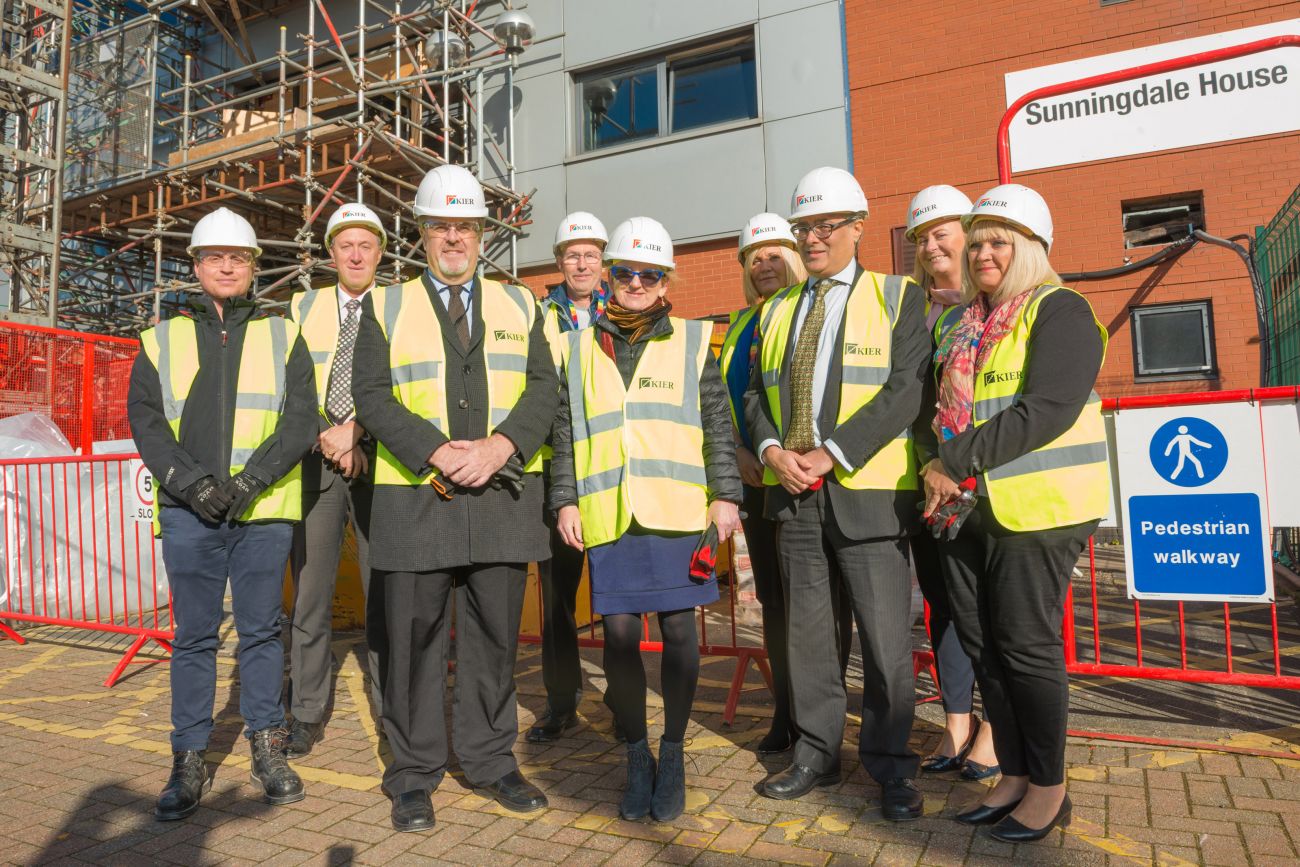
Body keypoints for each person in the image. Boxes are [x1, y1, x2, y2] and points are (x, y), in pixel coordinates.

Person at [350, 165, 559, 832]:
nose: (453, 237)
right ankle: (412, 773)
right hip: (417, 501)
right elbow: (372, 395)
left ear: (481, 234)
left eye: (464, 226)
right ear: (422, 233)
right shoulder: (385, 305)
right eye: (440, 225)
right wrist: (439, 450)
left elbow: (542, 390)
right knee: (411, 643)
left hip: (498, 497)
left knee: (495, 639)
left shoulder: (520, 304)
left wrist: (499, 446)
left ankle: (492, 759)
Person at [919, 184, 1109, 842]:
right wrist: (934, 468)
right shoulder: (961, 323)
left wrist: (953, 460)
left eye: (998, 241)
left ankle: (1049, 786)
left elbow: (1047, 408)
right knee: (985, 647)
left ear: (1030, 247)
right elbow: (941, 408)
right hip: (966, 512)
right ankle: (1014, 773)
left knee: (1026, 649)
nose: (982, 253)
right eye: (976, 243)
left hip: (1039, 511)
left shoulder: (1062, 311)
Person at [744, 167, 930, 821]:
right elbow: (753, 395)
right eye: (804, 228)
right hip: (792, 496)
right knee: (809, 638)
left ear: (857, 225)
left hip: (867, 492)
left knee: (884, 643)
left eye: (825, 225)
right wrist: (771, 451)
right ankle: (817, 754)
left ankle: (891, 767)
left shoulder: (898, 297)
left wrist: (830, 452)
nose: (814, 238)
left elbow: (905, 390)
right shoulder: (776, 310)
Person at [549, 216, 742, 823]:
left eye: (649, 274)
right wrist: (565, 500)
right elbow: (563, 434)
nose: (636, 282)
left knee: (682, 638)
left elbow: (717, 424)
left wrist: (726, 494)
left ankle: (675, 751)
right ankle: (636, 753)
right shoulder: (578, 347)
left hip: (677, 511)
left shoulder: (690, 339)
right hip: (610, 514)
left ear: (665, 282)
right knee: (621, 639)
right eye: (626, 271)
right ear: (610, 277)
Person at [127, 206, 317, 820]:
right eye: (215, 257)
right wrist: (191, 483)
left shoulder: (283, 334)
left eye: (238, 257)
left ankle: (268, 745)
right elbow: (148, 426)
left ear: (255, 268)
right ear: (197, 267)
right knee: (194, 638)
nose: (227, 266)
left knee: (262, 632)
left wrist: (253, 478)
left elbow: (299, 420)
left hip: (262, 512)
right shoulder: (161, 340)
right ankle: (188, 758)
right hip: (190, 515)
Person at [719, 212, 841, 756]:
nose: (764, 265)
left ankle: (823, 719)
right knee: (772, 602)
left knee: (818, 605)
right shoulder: (741, 324)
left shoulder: (809, 311)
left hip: (807, 480)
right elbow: (727, 403)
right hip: (756, 480)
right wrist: (743, 454)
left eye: (774, 254)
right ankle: (787, 712)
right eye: (754, 258)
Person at [284, 203, 387, 757]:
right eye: (345, 245)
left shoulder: (398, 307)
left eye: (365, 245)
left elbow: (402, 385)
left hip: (378, 465)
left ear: (379, 253)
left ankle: (389, 703)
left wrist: (358, 433)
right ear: (331, 254)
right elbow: (294, 385)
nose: (354, 254)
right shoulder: (304, 306)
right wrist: (330, 433)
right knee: (311, 595)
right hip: (318, 462)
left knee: (384, 594)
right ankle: (305, 710)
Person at [904, 186, 998, 781]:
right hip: (926, 480)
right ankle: (957, 721)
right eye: (922, 236)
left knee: (987, 609)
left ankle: (996, 728)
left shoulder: (994, 303)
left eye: (942, 232)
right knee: (944, 607)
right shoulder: (917, 309)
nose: (933, 244)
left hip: (981, 479)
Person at [528, 211, 613, 744]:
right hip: (553, 474)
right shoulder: (537, 316)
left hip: (609, 471)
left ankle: (622, 695)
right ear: (559, 261)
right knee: (558, 599)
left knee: (617, 596)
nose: (581, 262)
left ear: (602, 262)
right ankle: (561, 701)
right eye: (572, 254)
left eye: (591, 254)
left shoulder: (623, 311)